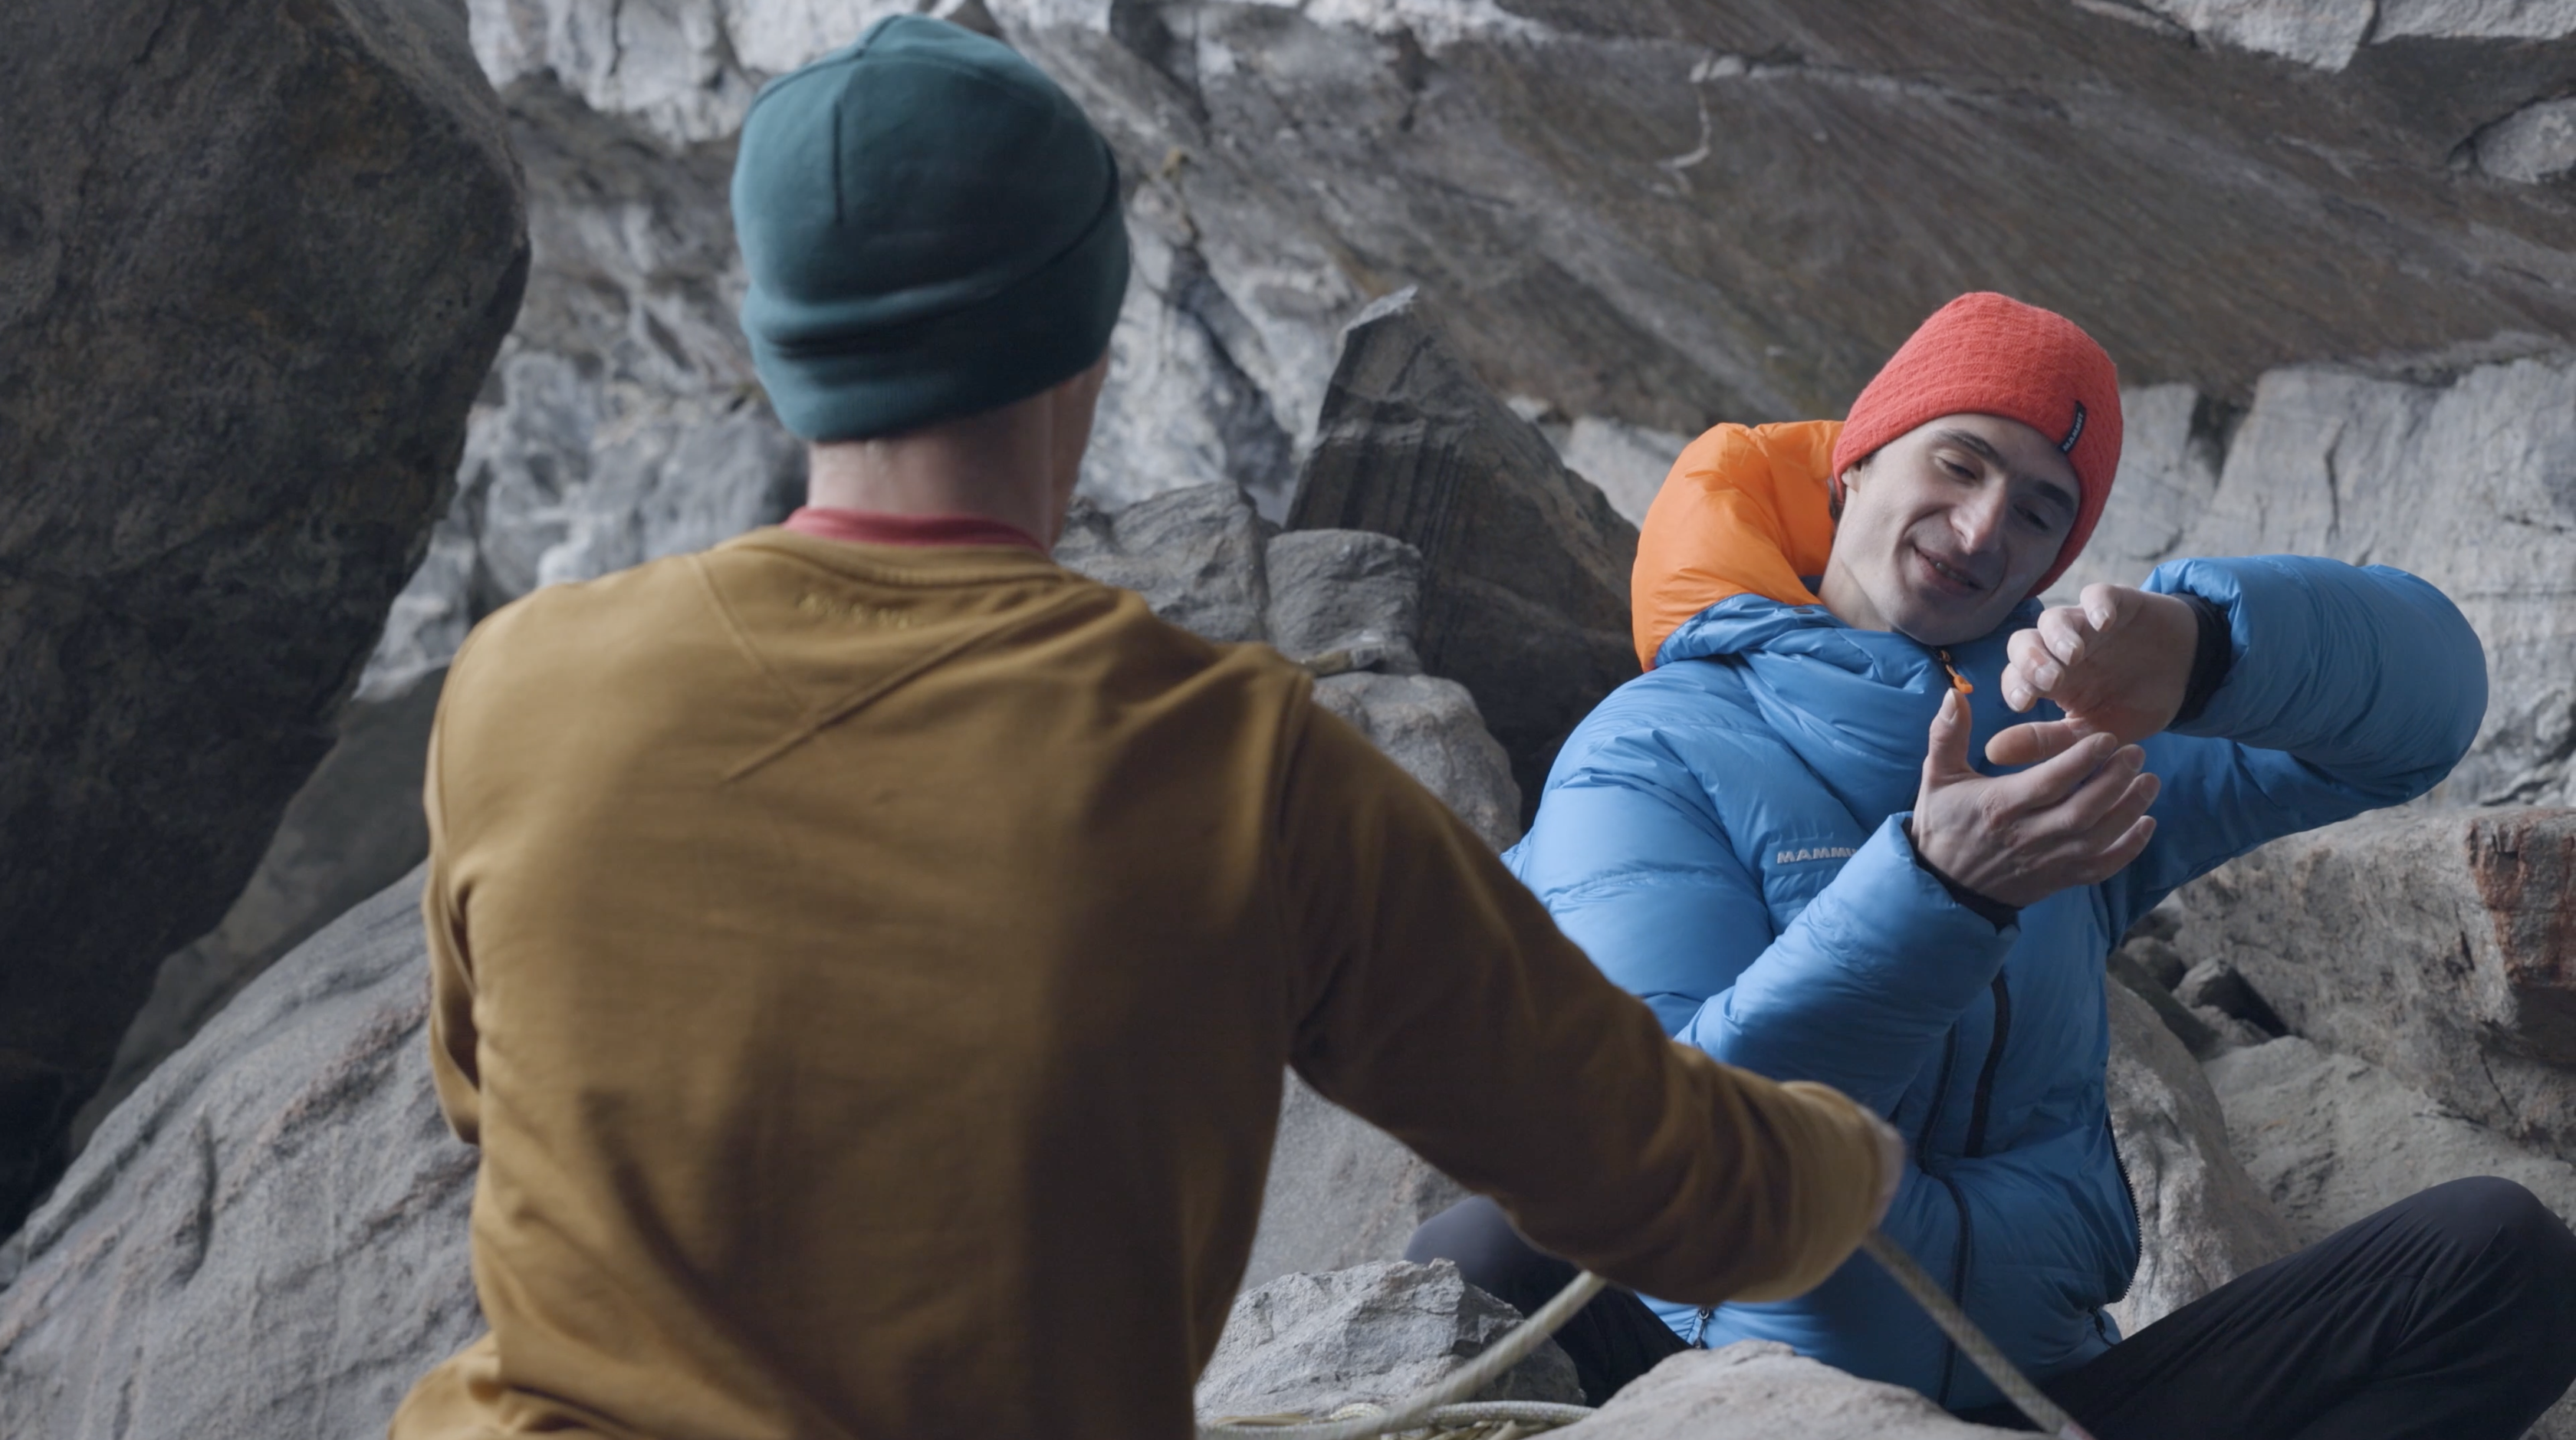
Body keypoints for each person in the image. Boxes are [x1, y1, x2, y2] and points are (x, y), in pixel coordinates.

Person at [386, 18, 1914, 1440]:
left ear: (781, 333)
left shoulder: (523, 683)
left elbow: (488, 1095)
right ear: (1088, 334)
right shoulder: (1237, 767)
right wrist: (1847, 1155)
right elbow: (1672, 1191)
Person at [1408, 291, 2576, 1436]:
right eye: (1959, 464)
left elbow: (2429, 714)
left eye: (2038, 512)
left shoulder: (2063, 727)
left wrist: (2207, 649)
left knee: (2498, 1258)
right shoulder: (1654, 744)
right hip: (1755, 1391)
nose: (1983, 532)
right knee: (1486, 1250)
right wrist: (1936, 894)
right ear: (1855, 461)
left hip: (2049, 1394)